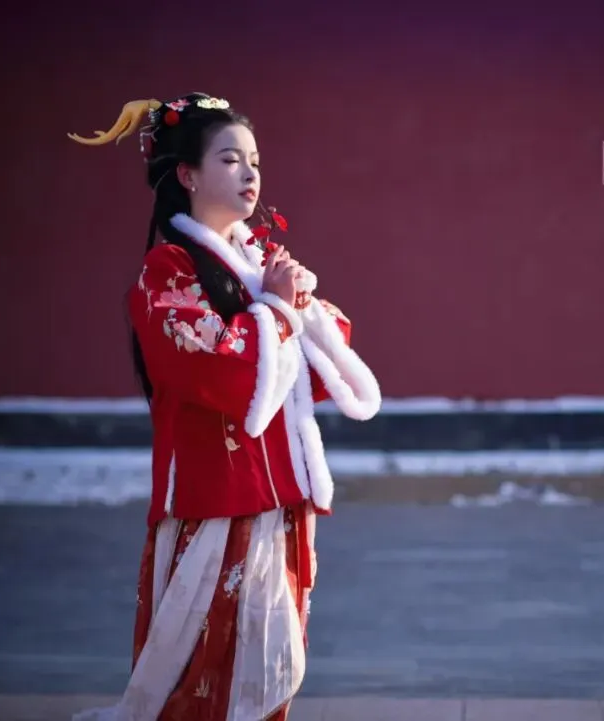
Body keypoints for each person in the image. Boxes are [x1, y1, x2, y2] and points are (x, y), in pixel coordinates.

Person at [66, 93, 382, 720]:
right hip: (214, 499)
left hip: (280, 499)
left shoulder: (256, 268)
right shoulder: (168, 271)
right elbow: (220, 368)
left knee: (272, 667)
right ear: (187, 175)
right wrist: (280, 311)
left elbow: (309, 373)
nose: (249, 173)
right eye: (231, 159)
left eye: (255, 161)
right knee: (198, 674)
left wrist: (298, 306)